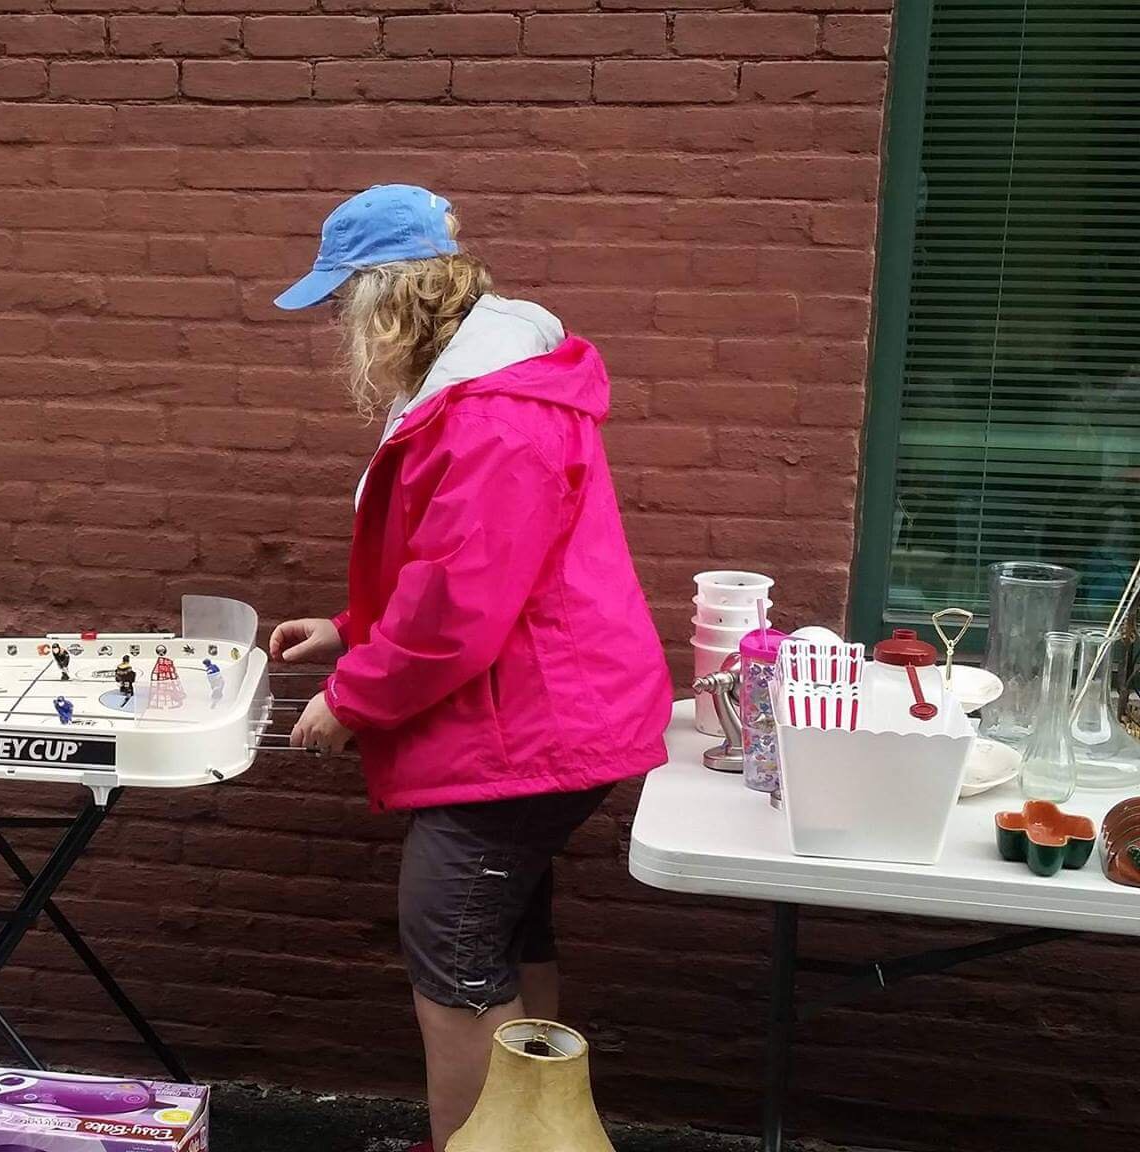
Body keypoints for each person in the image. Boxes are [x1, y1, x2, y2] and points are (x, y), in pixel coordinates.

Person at [267, 185, 672, 1152]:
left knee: (449, 943)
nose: (339, 330)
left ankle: (471, 1146)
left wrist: (351, 701)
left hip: (528, 722)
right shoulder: (482, 393)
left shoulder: (491, 416)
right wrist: (347, 628)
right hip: (545, 713)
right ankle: (531, 1137)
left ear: (388, 298)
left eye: (340, 306)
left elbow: (458, 607)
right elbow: (454, 567)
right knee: (500, 928)